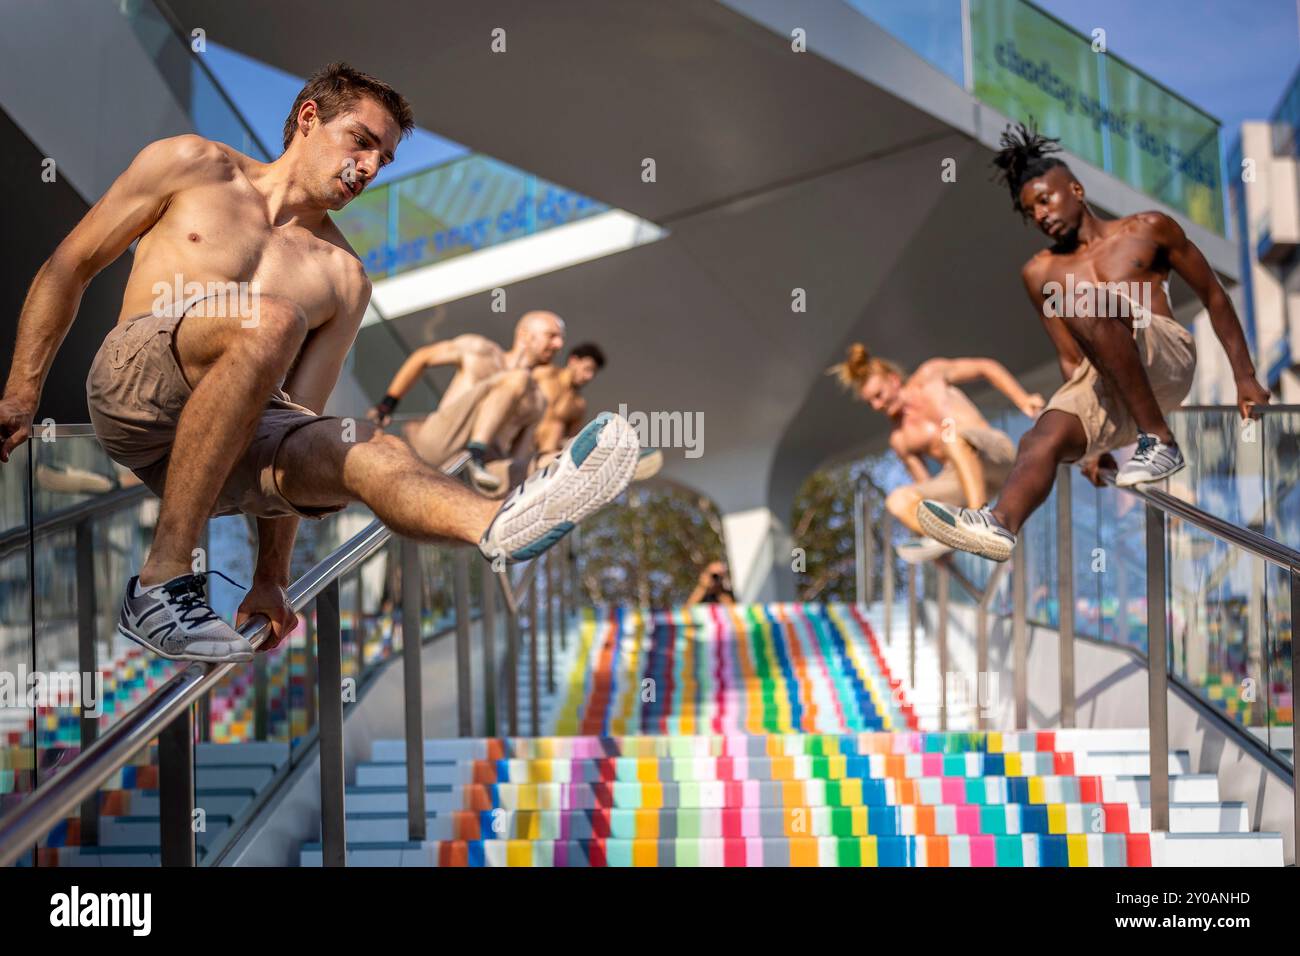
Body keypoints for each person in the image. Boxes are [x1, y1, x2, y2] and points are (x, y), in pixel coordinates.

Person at [0, 62, 639, 664]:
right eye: (360, 142)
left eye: (384, 160)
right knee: (273, 319)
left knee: (366, 446)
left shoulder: (344, 278)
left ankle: (499, 526)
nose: (369, 168)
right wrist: (22, 394)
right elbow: (71, 266)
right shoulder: (192, 164)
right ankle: (162, 580)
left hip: (226, 445)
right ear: (309, 117)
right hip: (138, 382)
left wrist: (271, 577)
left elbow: (296, 420)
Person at [918, 123, 1269, 561]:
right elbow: (1070, 358)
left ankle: (1160, 441)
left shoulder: (1148, 229)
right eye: (1031, 212)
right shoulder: (1039, 272)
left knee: (1083, 298)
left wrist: (1245, 376)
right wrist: (1096, 443)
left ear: (1076, 190)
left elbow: (1213, 295)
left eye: (1045, 200)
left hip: (1165, 354)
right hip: (1105, 377)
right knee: (1040, 438)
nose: (1040, 215)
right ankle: (1001, 524)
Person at [830, 343, 1042, 563]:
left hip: (995, 454)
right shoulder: (900, 438)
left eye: (878, 395)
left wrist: (1023, 400)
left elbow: (986, 367)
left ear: (893, 380)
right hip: (963, 480)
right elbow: (926, 491)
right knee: (897, 501)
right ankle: (950, 540)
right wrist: (933, 537)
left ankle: (979, 520)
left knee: (950, 435)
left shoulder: (931, 376)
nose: (876, 405)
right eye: (870, 403)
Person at [368, 311, 562, 494]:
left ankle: (477, 465)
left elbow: (516, 457)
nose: (558, 344)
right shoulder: (481, 351)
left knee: (545, 461)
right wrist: (386, 405)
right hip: (441, 442)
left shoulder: (538, 401)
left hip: (480, 470)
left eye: (560, 338)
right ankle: (475, 454)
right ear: (525, 335)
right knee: (519, 378)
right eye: (551, 336)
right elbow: (422, 358)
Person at [532, 341, 605, 466]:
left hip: (543, 455)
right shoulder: (544, 374)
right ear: (573, 361)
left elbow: (572, 442)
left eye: (593, 373)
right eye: (587, 369)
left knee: (557, 428)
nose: (589, 377)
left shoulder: (578, 405)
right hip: (519, 438)